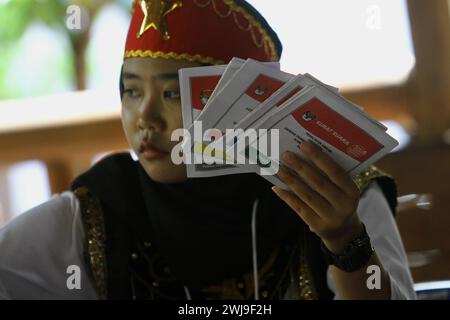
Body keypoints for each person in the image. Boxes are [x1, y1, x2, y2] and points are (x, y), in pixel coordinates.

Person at [0, 0, 415, 300]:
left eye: (171, 94)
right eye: (130, 91)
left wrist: (346, 241)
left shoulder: (335, 191)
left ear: (243, 104)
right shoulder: (95, 213)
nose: (145, 118)